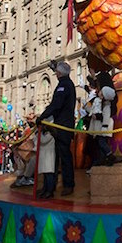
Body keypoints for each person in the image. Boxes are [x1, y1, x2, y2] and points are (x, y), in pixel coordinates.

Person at [36, 60, 77, 196]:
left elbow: (56, 104)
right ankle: (50, 186)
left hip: (62, 126)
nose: (55, 73)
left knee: (63, 156)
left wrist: (42, 117)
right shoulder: (67, 83)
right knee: (56, 157)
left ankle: (68, 184)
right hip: (62, 124)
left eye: (56, 71)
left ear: (59, 73)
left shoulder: (63, 85)